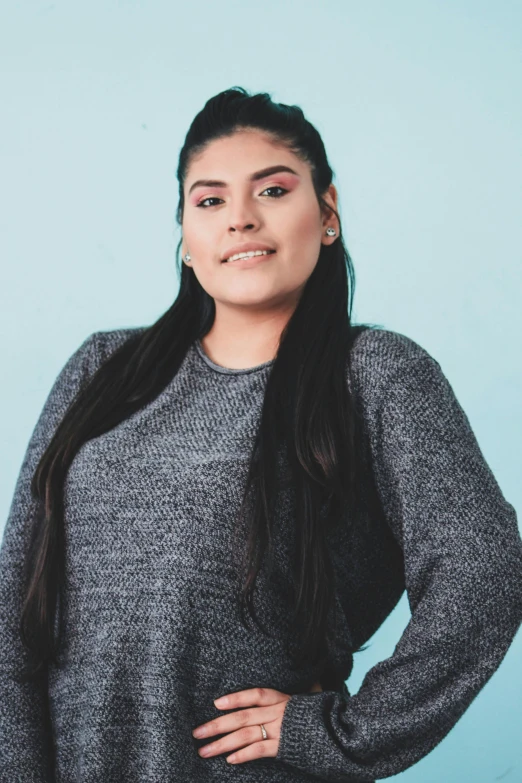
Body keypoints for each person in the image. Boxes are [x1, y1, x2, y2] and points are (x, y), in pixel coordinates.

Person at [1, 86, 521, 782]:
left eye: (273, 190)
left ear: (327, 214)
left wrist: (341, 734)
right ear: (186, 238)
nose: (239, 219)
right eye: (209, 200)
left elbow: (484, 569)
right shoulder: (104, 369)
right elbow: (12, 615)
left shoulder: (375, 376)